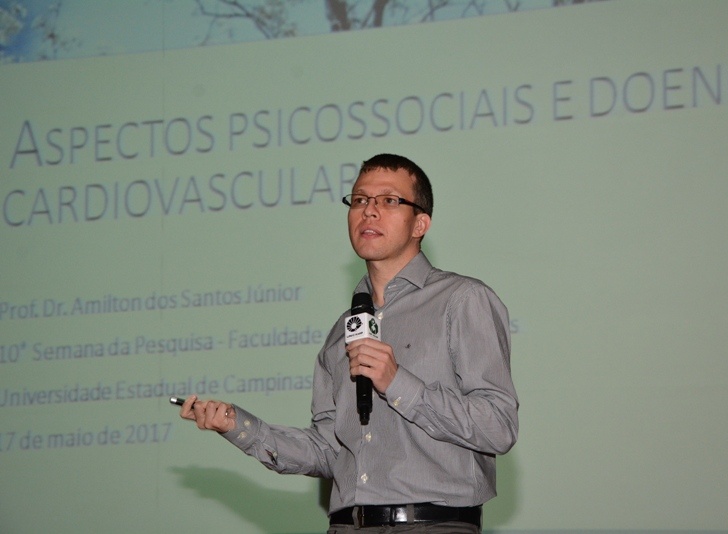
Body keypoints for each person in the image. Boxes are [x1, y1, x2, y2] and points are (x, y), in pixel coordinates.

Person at [180, 153, 518, 533]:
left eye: (389, 200)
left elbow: (498, 426)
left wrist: (398, 382)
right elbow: (328, 450)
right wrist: (238, 426)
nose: (369, 211)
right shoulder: (340, 332)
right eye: (360, 200)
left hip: (430, 524)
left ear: (420, 223)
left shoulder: (462, 300)